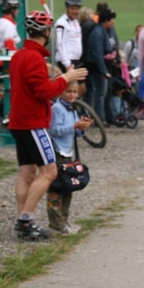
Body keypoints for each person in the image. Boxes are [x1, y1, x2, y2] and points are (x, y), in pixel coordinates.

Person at [8, 10, 87, 240]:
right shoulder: (34, 58)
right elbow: (43, 92)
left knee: (26, 174)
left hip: (18, 122)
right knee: (49, 171)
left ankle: (22, 220)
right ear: (45, 32)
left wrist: (58, 79)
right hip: (33, 123)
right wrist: (66, 79)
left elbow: (32, 87)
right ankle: (25, 220)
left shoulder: (19, 56)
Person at [47, 81, 92, 235]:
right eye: (68, 91)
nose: (72, 95)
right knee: (56, 189)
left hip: (68, 152)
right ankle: (56, 224)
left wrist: (82, 128)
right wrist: (74, 126)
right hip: (58, 152)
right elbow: (54, 130)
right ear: (61, 92)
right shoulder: (57, 109)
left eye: (74, 92)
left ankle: (64, 220)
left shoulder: (72, 108)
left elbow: (75, 133)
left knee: (67, 187)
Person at [85, 8, 116, 125]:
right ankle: (99, 119)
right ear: (106, 20)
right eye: (112, 19)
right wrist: (104, 70)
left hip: (104, 66)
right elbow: (97, 53)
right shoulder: (98, 33)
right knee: (99, 93)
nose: (113, 22)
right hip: (96, 68)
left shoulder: (107, 31)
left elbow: (111, 44)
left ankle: (102, 117)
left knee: (101, 93)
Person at [55, 0, 83, 73]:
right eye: (72, 9)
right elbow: (59, 44)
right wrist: (67, 64)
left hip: (76, 60)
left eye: (77, 9)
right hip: (66, 61)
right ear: (67, 9)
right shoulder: (61, 22)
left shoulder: (76, 22)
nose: (75, 11)